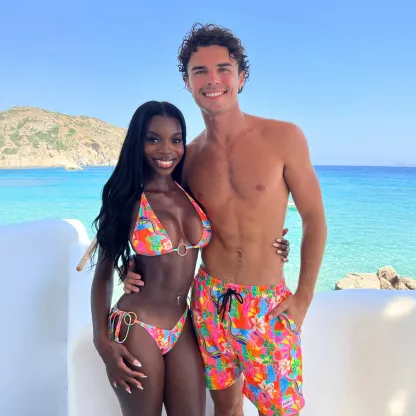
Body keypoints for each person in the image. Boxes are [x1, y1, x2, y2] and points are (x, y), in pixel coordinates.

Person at [122, 23, 327, 416]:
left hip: (267, 303)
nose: (212, 80)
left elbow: (314, 217)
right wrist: (131, 265)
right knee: (225, 407)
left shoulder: (284, 138)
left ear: (241, 77)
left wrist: (304, 296)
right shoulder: (187, 157)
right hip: (208, 300)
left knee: (281, 410)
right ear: (187, 82)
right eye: (200, 71)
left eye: (223, 69)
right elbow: (159, 218)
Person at [89, 100, 291, 416]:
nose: (166, 149)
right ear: (138, 142)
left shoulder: (188, 189)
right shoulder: (127, 198)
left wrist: (272, 245)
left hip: (183, 323)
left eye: (176, 139)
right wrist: (102, 343)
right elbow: (102, 274)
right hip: (137, 325)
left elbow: (234, 228)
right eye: (153, 139)